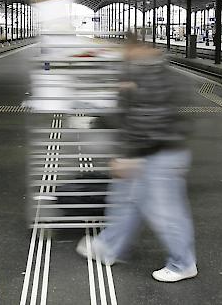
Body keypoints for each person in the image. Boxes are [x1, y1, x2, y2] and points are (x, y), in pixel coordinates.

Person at [76, 35, 197, 283]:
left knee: (166, 212)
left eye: (126, 50)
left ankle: (183, 263)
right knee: (124, 199)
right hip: (150, 149)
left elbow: (146, 117)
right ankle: (108, 246)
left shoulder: (148, 74)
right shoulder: (145, 70)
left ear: (138, 48)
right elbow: (128, 112)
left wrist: (128, 155)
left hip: (161, 152)